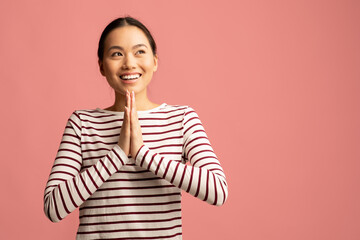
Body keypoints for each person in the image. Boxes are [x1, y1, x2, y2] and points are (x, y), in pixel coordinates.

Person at [43, 16, 228, 240]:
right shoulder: (82, 123)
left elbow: (218, 191)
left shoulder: (182, 119)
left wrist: (143, 154)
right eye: (116, 54)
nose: (129, 63)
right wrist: (118, 153)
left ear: (155, 61)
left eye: (139, 51)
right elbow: (53, 207)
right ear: (101, 66)